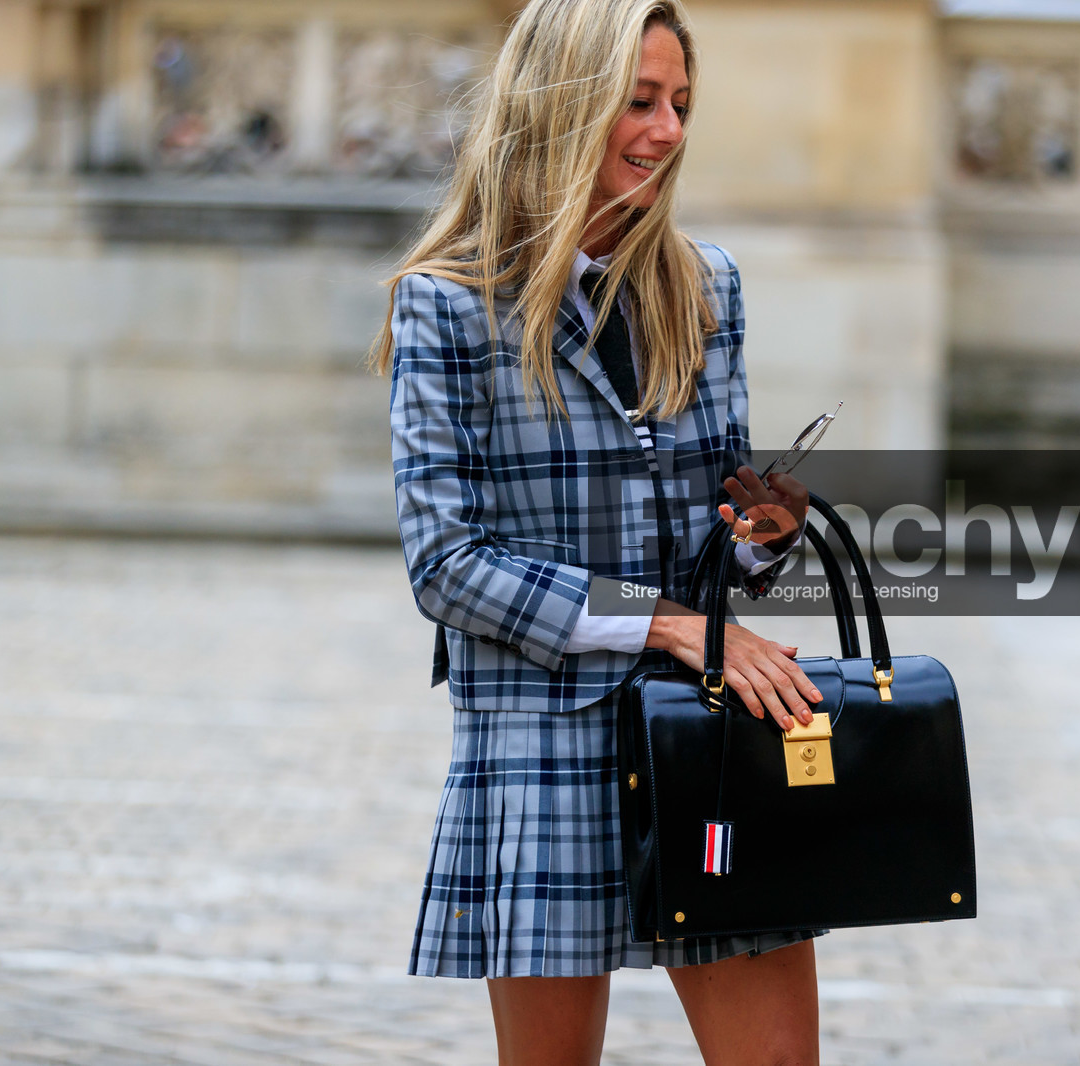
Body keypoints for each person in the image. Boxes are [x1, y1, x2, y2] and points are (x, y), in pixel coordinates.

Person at [371, 1, 824, 1062]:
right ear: (562, 102)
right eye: (639, 100)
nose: (667, 129)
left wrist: (759, 536)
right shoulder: (446, 306)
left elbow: (715, 547)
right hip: (539, 748)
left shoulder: (705, 287)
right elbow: (447, 563)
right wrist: (664, 622)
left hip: (706, 744)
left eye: (679, 104)